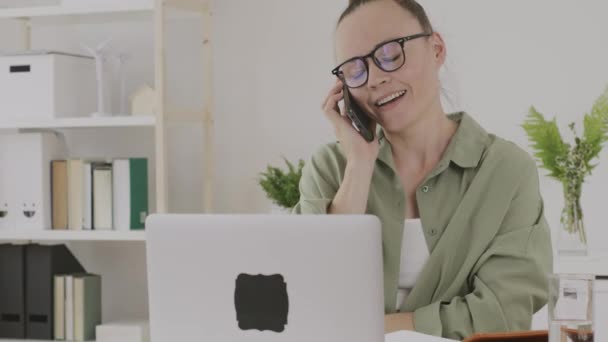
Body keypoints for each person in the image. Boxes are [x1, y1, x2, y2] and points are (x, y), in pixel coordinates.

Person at [291, 0, 553, 340]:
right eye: (355, 69)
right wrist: (358, 164)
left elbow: (502, 314)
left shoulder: (507, 171)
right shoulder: (331, 168)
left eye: (390, 53)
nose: (375, 79)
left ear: (436, 50)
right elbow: (307, 296)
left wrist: (375, 329)